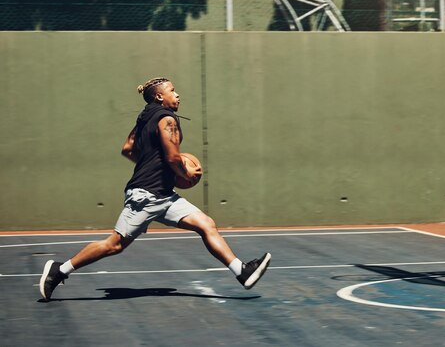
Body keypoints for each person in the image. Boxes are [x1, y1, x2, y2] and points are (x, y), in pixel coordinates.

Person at [39, 77, 271, 300]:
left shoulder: (144, 118)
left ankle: (242, 271)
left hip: (164, 196)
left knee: (206, 224)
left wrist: (151, 164)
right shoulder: (167, 119)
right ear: (160, 96)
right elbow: (172, 158)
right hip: (146, 195)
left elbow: (128, 148)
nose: (177, 94)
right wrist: (186, 173)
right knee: (114, 245)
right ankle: (59, 270)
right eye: (172, 90)